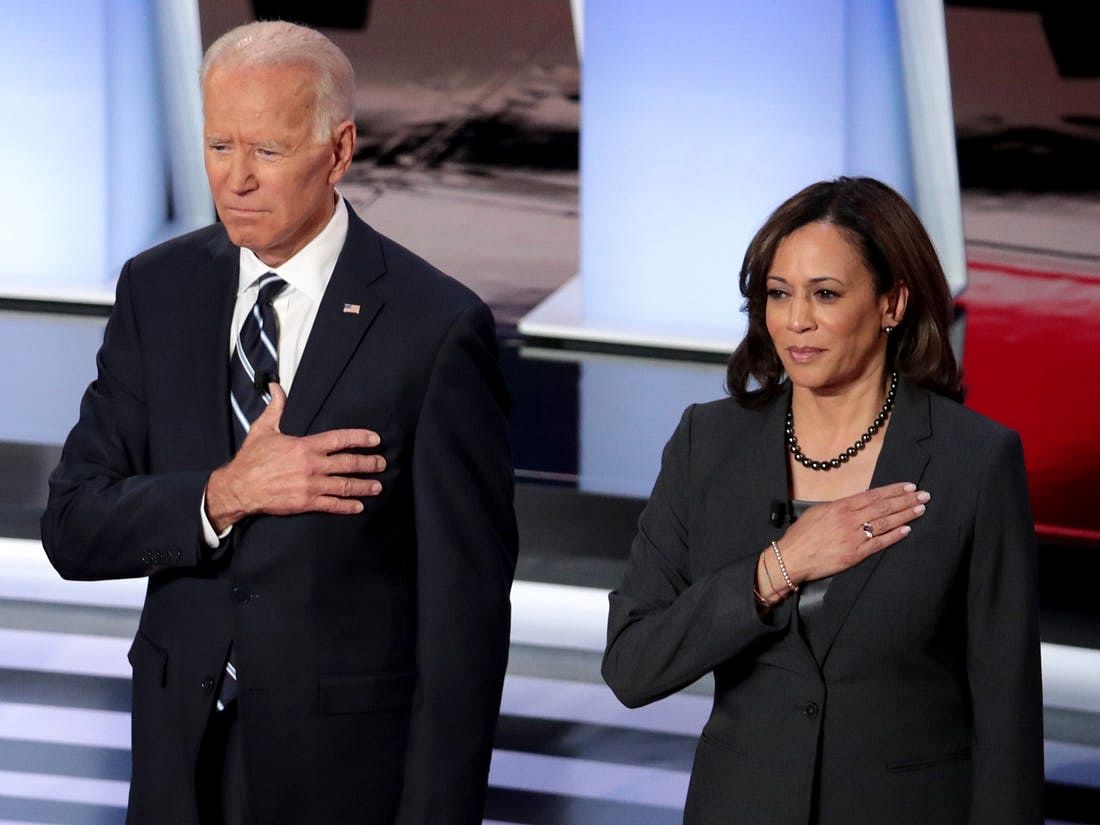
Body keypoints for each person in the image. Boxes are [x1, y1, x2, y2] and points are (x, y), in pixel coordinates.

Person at [41, 21, 517, 825]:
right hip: (177, 762)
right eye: (219, 145)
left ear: (338, 151)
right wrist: (222, 495)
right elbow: (73, 527)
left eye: (267, 149)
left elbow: (463, 622)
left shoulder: (434, 328)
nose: (237, 179)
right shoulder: (158, 290)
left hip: (339, 775)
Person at [602, 177, 1043, 824]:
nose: (796, 320)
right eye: (779, 293)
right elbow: (632, 665)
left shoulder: (973, 460)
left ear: (892, 303)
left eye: (826, 294)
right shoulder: (708, 443)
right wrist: (775, 570)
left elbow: (1007, 717)